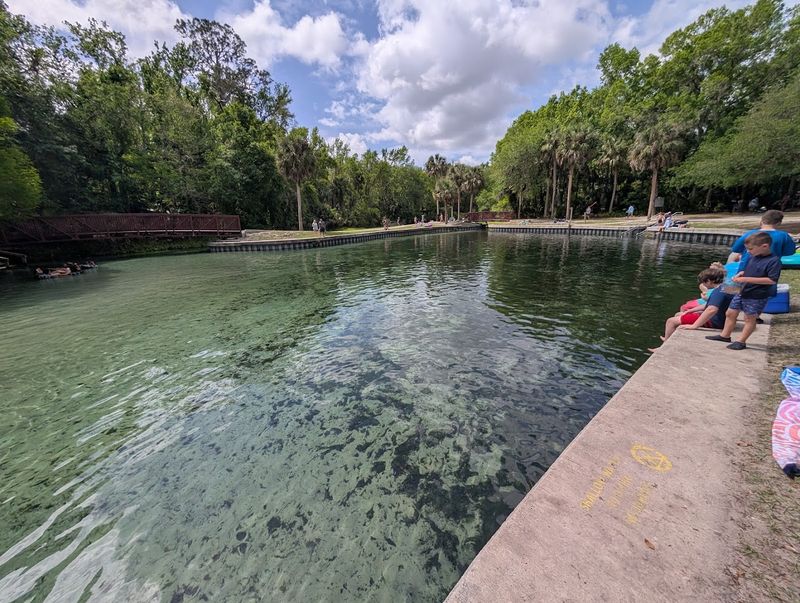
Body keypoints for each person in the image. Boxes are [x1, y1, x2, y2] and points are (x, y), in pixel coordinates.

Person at [707, 231, 782, 350]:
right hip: (743, 291)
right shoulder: (754, 257)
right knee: (730, 313)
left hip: (756, 295)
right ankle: (725, 335)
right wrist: (742, 274)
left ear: (764, 246)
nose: (748, 251)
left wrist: (745, 279)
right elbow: (750, 270)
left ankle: (741, 341)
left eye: (751, 249)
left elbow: (771, 280)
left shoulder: (774, 261)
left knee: (749, 318)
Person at [650, 268, 731, 350]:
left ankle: (663, 347)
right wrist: (690, 311)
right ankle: (668, 337)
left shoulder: (718, 292)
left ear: (709, 281)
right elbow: (708, 304)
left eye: (703, 282)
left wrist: (694, 326)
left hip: (714, 321)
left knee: (670, 321)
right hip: (718, 319)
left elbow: (712, 309)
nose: (703, 285)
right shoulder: (724, 288)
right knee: (679, 314)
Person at [727, 210, 796, 267]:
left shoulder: (749, 234)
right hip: (770, 268)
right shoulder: (784, 235)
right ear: (779, 223)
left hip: (747, 267)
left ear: (762, 221)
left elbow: (735, 249)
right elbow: (789, 252)